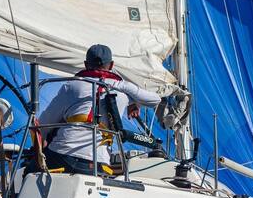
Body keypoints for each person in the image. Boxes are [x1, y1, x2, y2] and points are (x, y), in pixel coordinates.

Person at [36, 43, 161, 174]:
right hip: (98, 163)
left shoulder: (72, 86)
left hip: (62, 155)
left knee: (28, 169)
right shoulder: (121, 92)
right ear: (111, 65)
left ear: (85, 64)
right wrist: (128, 92)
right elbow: (155, 100)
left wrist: (40, 149)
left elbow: (43, 124)